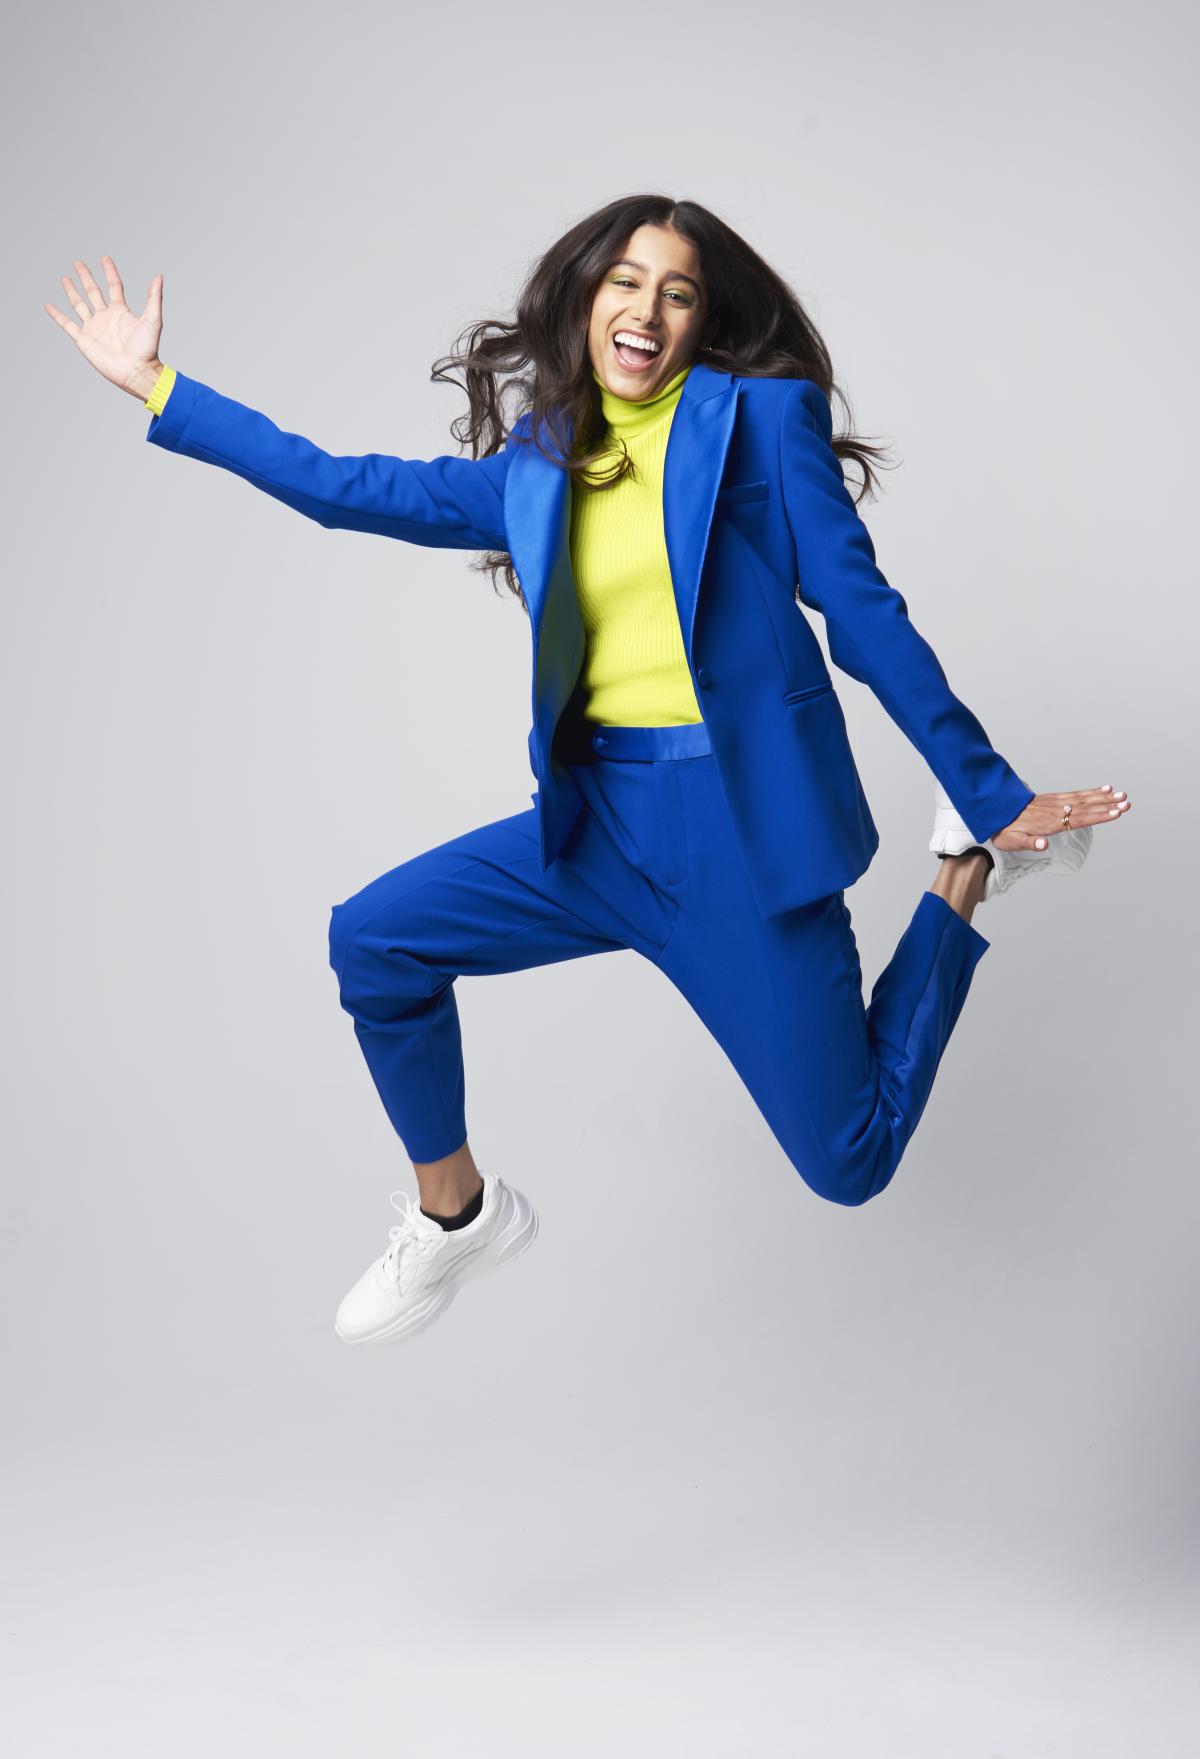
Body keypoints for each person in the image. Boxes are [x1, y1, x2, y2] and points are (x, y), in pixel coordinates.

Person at [44, 195, 1130, 1349]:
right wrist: (158, 387)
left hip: (740, 837)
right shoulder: (538, 466)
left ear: (702, 320)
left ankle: (963, 869)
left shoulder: (760, 423)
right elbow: (338, 486)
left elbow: (861, 614)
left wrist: (989, 788)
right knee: (374, 940)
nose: (647, 309)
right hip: (599, 826)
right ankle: (457, 1212)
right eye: (626, 280)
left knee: (849, 1160)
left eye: (678, 291)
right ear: (587, 299)